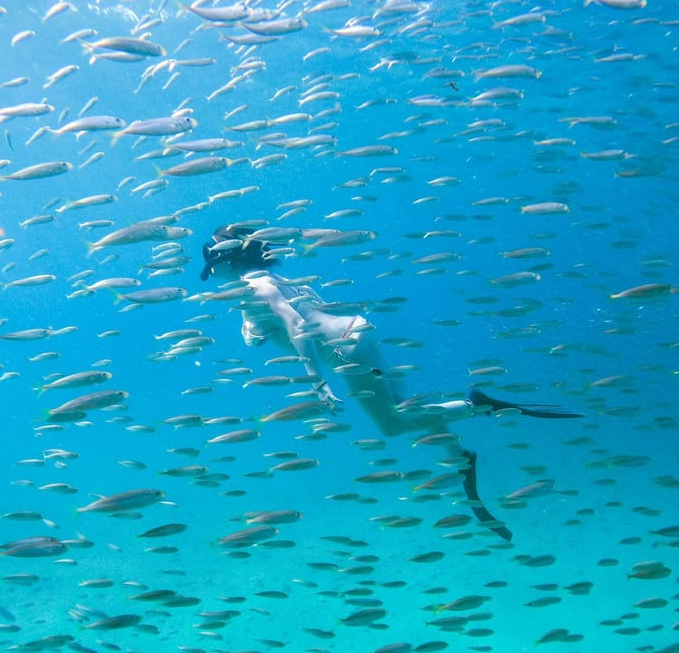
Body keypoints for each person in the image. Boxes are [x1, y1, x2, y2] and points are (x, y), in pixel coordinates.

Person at [200, 223, 582, 541]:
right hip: (356, 333)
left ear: (225, 259)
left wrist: (318, 385)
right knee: (409, 409)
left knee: (392, 423)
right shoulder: (273, 281)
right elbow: (286, 321)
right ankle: (458, 458)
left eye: (211, 263)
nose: (210, 272)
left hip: (341, 352)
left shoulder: (255, 290)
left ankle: (476, 404)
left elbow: (298, 328)